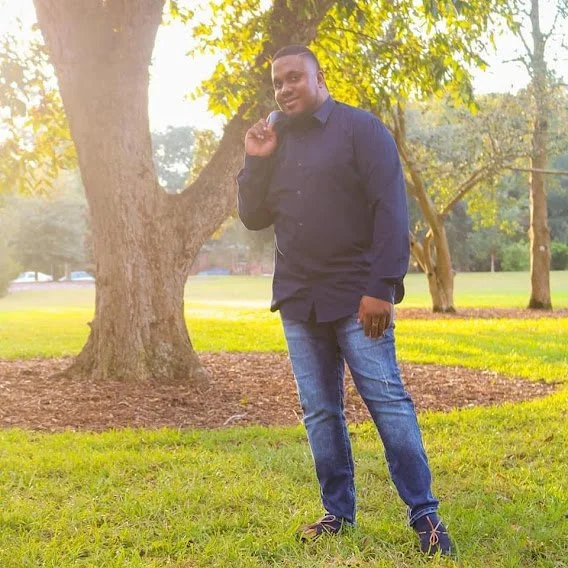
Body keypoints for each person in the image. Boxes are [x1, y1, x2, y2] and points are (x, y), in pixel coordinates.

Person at [236, 44, 453, 557]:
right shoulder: (275, 139)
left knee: (388, 403)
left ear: (320, 78)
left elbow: (390, 211)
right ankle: (338, 512)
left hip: (358, 297)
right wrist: (255, 161)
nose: (284, 89)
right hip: (298, 298)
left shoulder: (362, 130)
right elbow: (252, 217)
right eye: (277, 82)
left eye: (294, 77)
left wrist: (381, 287)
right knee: (320, 412)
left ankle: (425, 517)